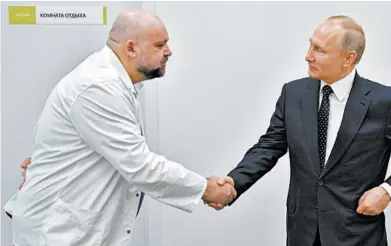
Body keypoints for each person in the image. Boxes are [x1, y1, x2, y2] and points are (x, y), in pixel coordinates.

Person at [9, 10, 235, 246]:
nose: (169, 52)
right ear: (130, 48)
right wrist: (205, 188)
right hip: (58, 236)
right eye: (160, 45)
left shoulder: (115, 84)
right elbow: (139, 166)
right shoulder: (99, 86)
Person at [209, 15, 391, 246]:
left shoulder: (384, 102)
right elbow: (269, 146)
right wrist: (233, 183)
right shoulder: (293, 94)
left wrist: (388, 191)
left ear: (348, 59)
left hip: (357, 235)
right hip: (303, 233)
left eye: (319, 49)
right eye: (310, 44)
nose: (308, 55)